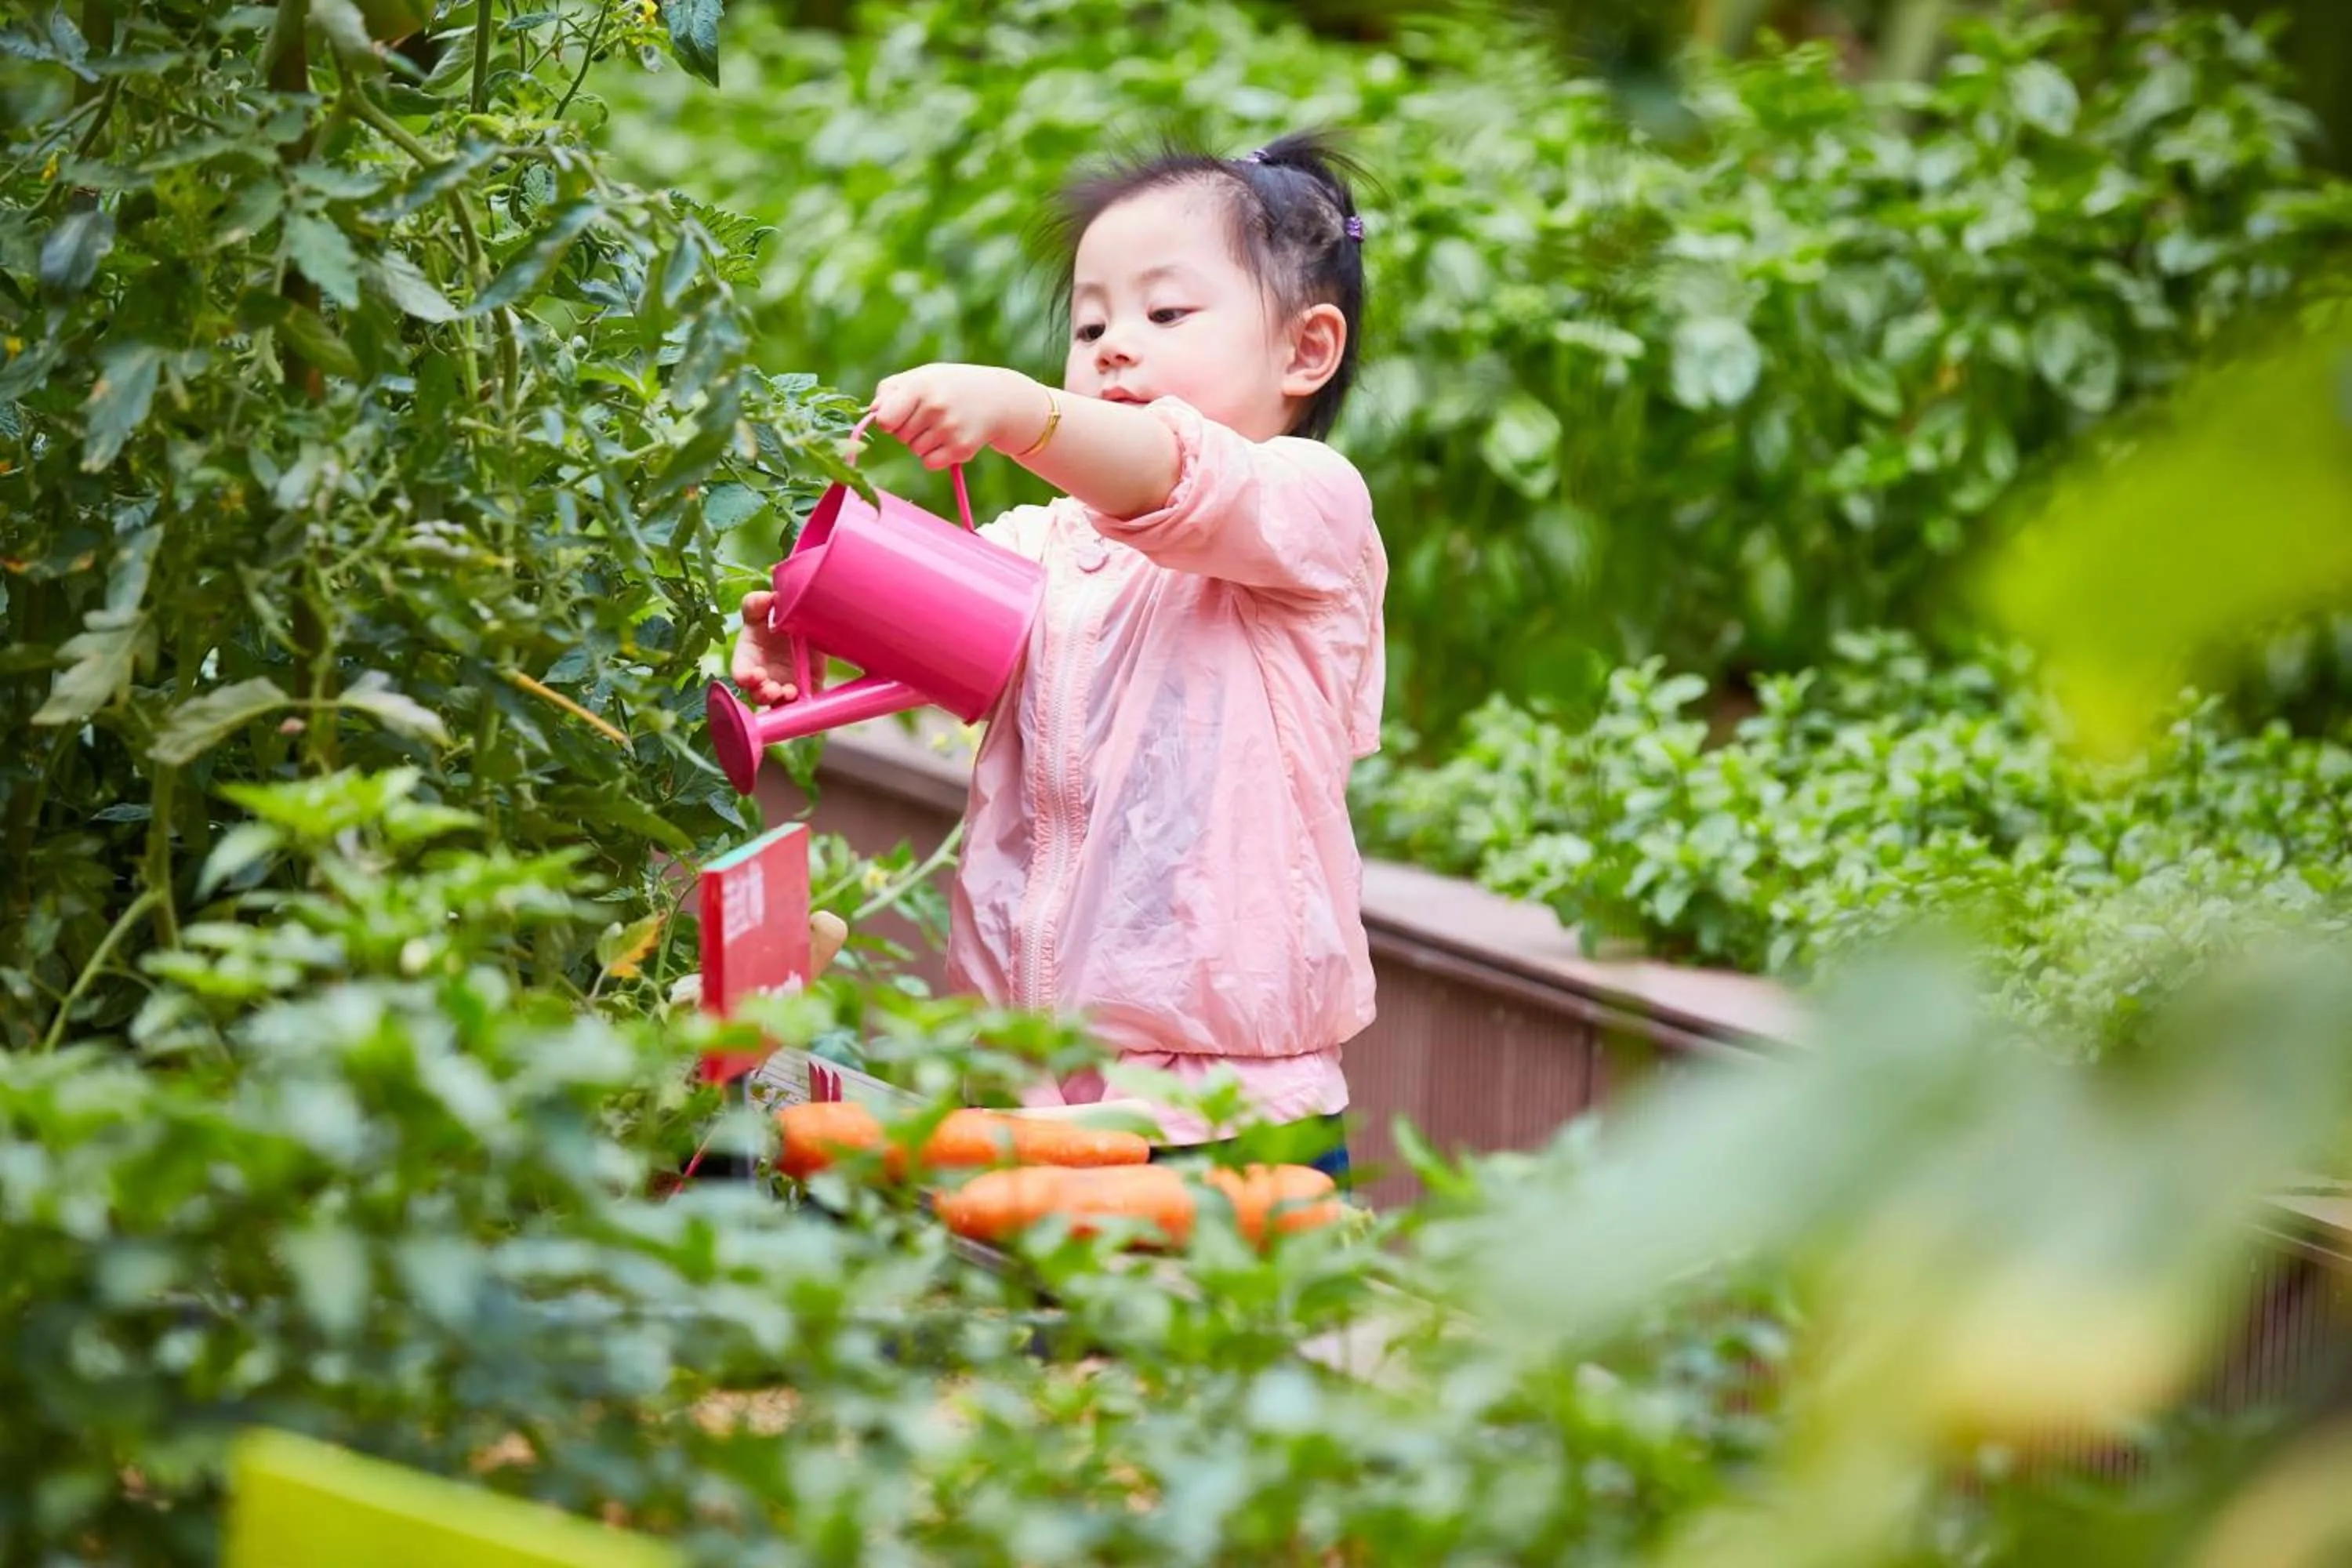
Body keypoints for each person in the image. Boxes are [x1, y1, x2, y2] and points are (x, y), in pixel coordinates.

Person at [732, 132, 1385, 1183]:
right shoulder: (1049, 547)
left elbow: (1172, 476)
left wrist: (1022, 412)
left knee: (1202, 1337)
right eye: (1090, 324)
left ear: (1306, 352)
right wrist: (797, 628)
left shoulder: (1308, 508)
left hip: (1226, 1110)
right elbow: (915, 617)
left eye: (1167, 314)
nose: (1116, 345)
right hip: (1027, 1093)